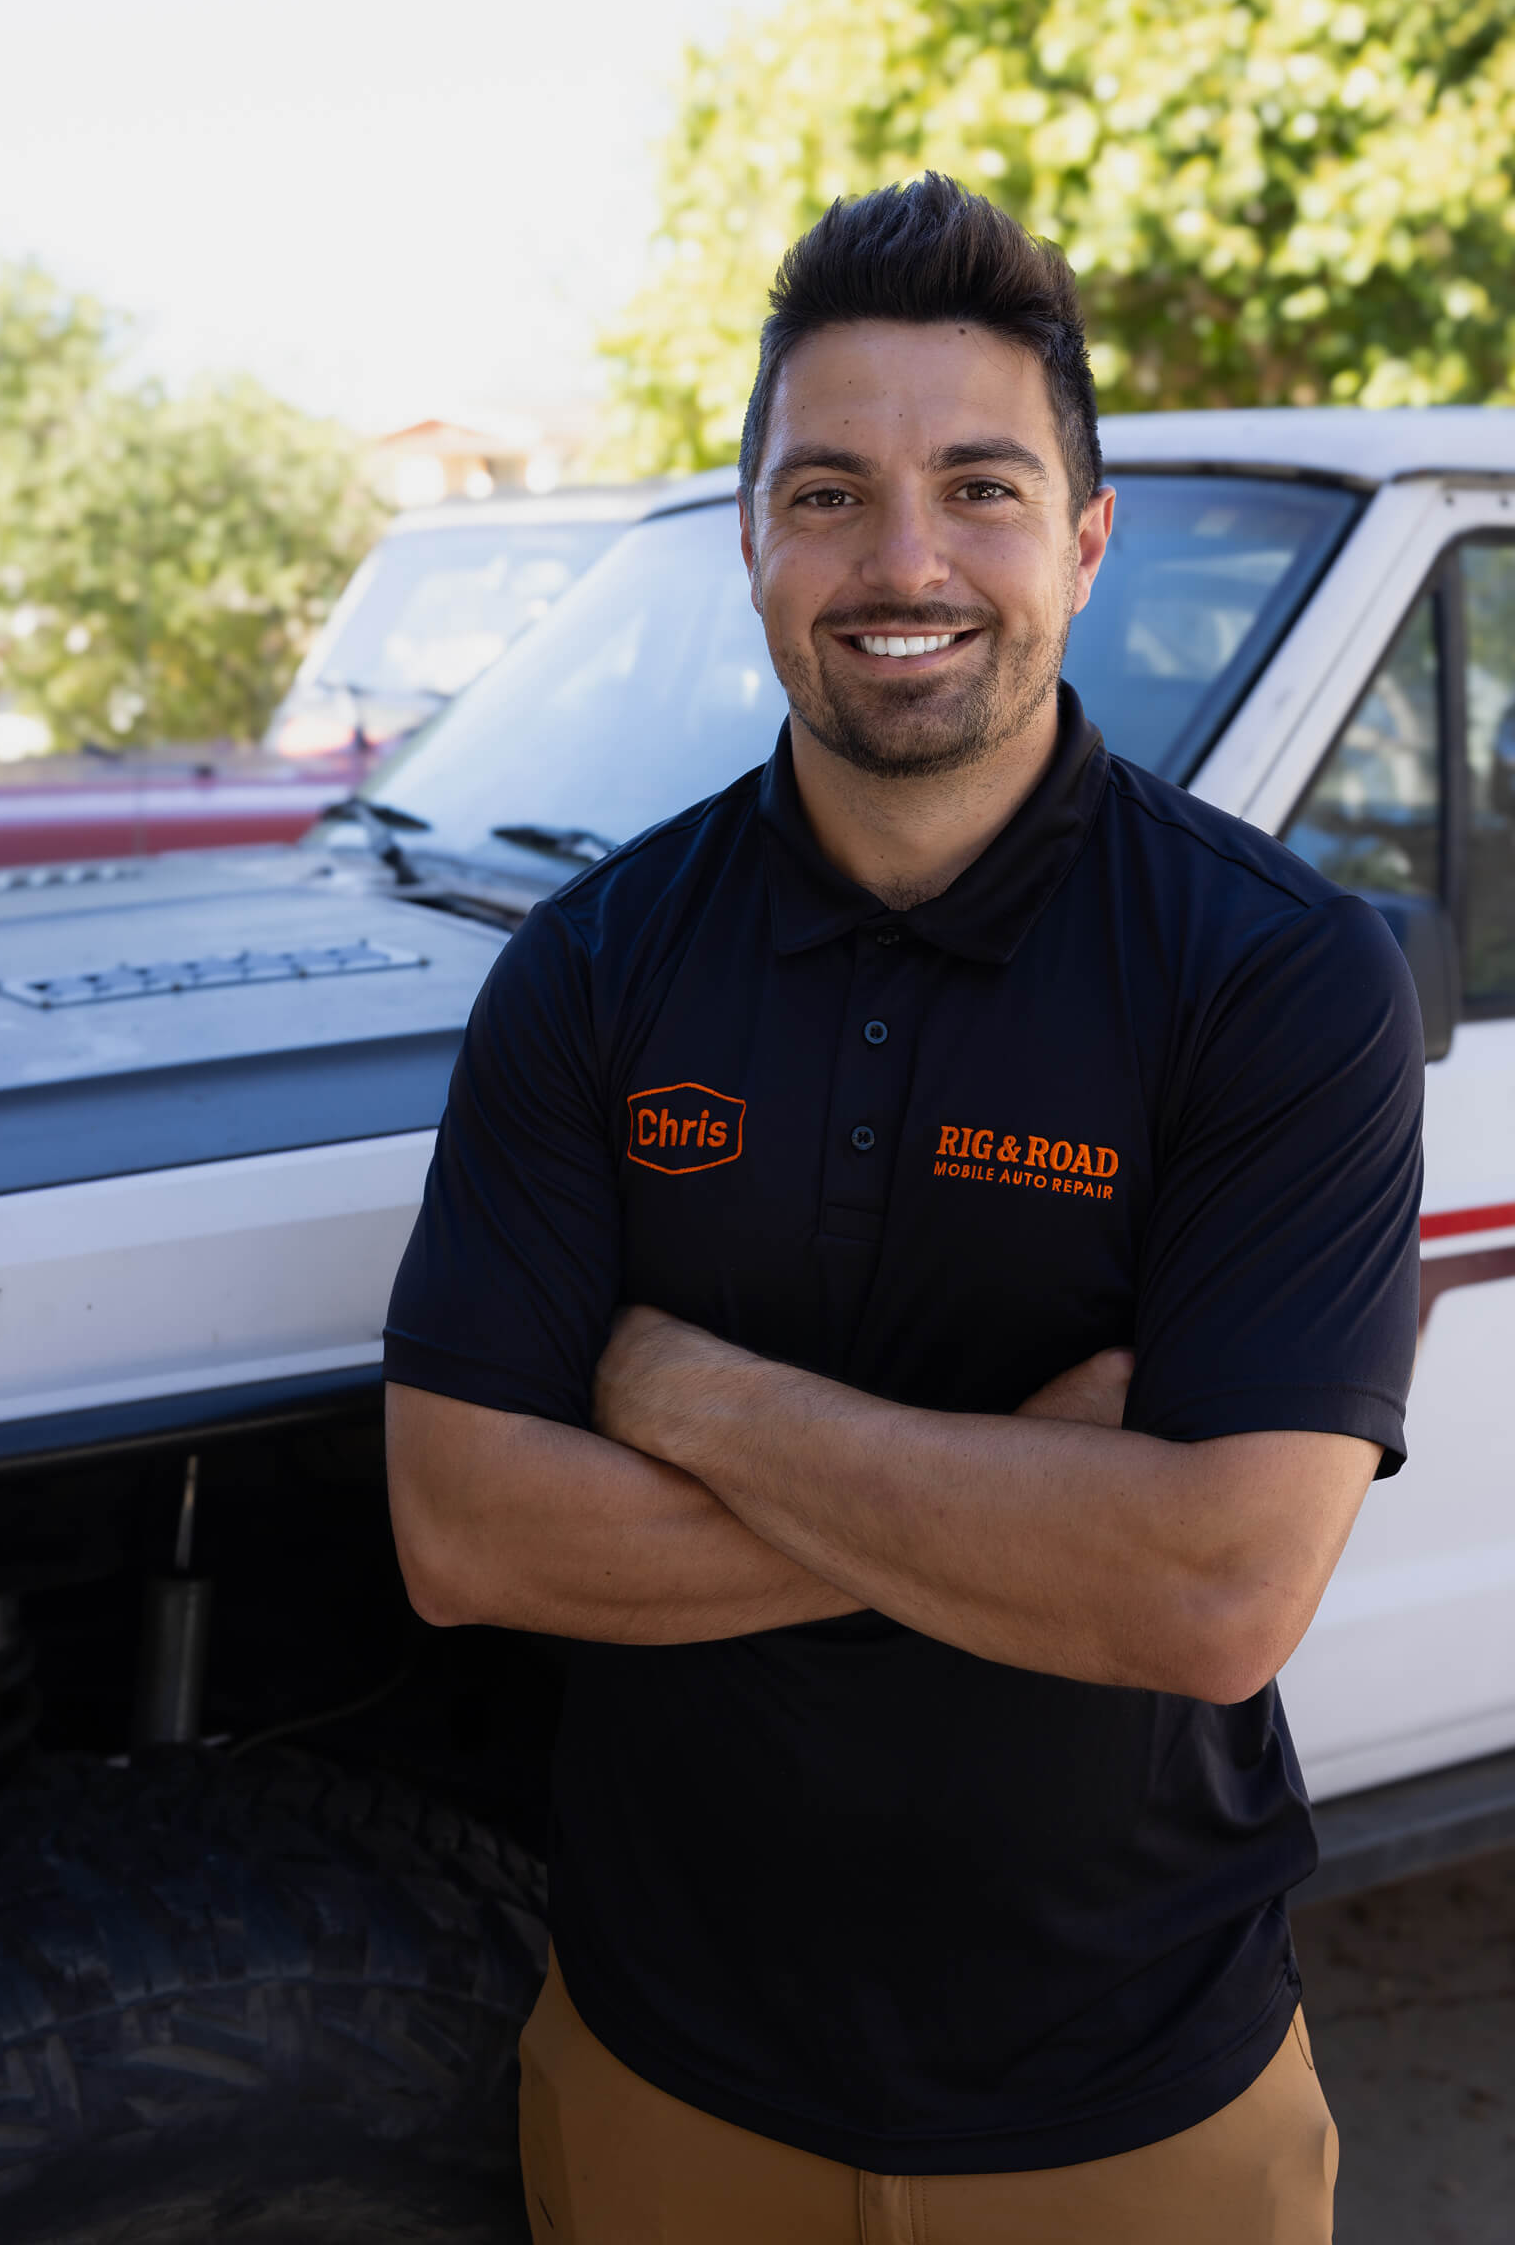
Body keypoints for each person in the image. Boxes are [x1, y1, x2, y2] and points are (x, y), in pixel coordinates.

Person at [383, 175, 1423, 2243]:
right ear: (754, 544)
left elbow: (1211, 1598)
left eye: (980, 486)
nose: (906, 559)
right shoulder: (588, 970)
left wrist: (690, 1399)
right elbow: (463, 1532)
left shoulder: (1273, 977)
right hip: (660, 2081)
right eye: (831, 494)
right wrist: (1035, 1501)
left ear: (1084, 541)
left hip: (1138, 2112)